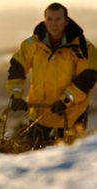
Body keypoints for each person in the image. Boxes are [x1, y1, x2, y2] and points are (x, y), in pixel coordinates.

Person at [6, 3, 97, 148]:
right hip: (40, 113)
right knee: (35, 158)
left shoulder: (83, 47)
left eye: (58, 19)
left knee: (68, 161)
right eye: (50, 19)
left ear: (66, 21)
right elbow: (17, 69)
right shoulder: (31, 44)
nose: (53, 24)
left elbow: (87, 79)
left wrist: (65, 101)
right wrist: (16, 96)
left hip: (72, 113)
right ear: (44, 20)